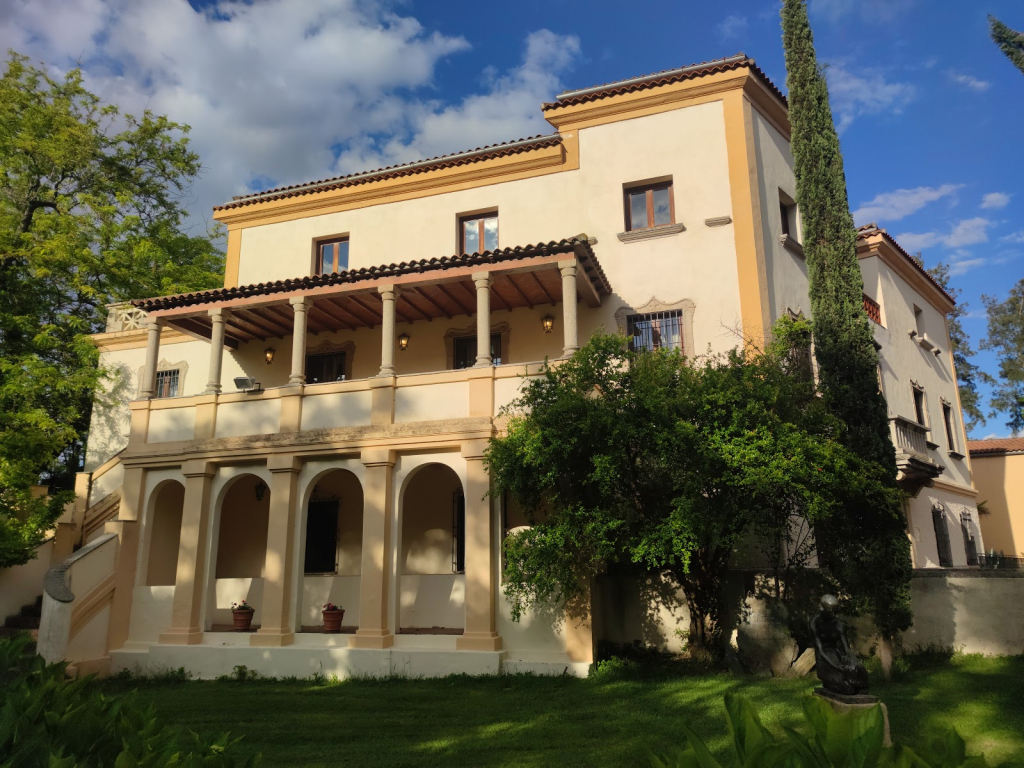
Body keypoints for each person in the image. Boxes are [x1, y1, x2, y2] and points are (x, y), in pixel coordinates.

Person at [811, 594, 869, 695]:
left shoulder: (839, 624)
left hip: (837, 654)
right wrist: (837, 667)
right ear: (821, 608)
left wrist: (854, 662)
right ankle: (831, 682)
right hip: (824, 658)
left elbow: (846, 649)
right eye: (830, 612)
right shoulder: (815, 622)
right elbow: (820, 650)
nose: (833, 615)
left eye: (835, 612)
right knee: (847, 689)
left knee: (859, 675)